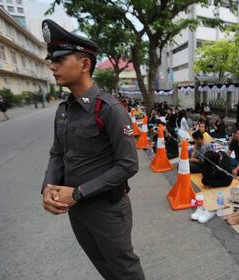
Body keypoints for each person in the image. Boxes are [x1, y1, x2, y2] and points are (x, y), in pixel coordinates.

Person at [39, 20, 144, 280]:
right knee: (103, 266)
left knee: (124, 270)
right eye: (51, 59)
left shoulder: (110, 109)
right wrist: (48, 188)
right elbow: (57, 154)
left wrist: (78, 192)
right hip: (77, 209)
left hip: (106, 210)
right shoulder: (64, 110)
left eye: (60, 60)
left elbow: (128, 165)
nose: (52, 66)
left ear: (85, 64)